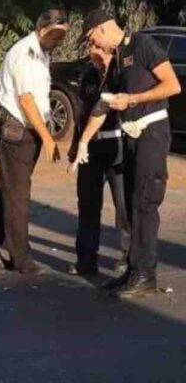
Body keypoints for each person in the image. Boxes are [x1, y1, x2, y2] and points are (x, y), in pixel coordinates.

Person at [77, 9, 181, 298]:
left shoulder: (143, 45)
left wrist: (134, 99)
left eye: (93, 39)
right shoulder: (118, 60)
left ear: (101, 29)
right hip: (131, 136)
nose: (95, 46)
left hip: (152, 132)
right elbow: (104, 104)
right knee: (133, 202)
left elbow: (173, 85)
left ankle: (146, 274)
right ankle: (134, 270)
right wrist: (84, 141)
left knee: (145, 202)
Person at [0, 9, 68, 275]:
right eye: (56, 35)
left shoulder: (41, 54)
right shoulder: (24, 53)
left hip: (29, 132)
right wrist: (48, 139)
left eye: (63, 36)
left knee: (11, 191)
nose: (59, 41)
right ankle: (21, 259)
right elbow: (26, 101)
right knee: (18, 196)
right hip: (15, 131)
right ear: (42, 29)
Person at [67, 44, 130, 276]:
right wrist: (76, 144)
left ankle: (128, 255)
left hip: (117, 143)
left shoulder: (121, 73)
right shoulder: (90, 75)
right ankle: (86, 258)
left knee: (123, 204)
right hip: (90, 145)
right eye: (93, 59)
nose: (97, 62)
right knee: (88, 203)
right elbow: (83, 112)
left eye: (100, 58)